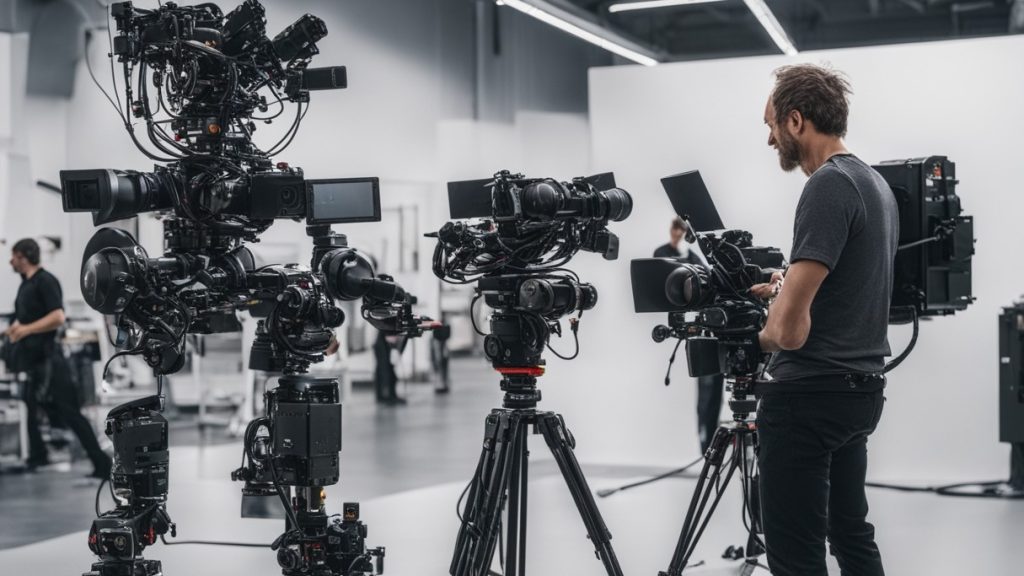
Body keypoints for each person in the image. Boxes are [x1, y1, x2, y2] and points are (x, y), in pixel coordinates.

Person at [751, 64, 896, 576]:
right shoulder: (872, 183)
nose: (769, 139)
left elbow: (789, 332)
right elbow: (847, 283)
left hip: (807, 401)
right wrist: (787, 283)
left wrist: (760, 332)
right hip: (856, 393)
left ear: (795, 121)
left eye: (770, 125)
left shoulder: (826, 187)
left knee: (796, 558)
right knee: (851, 534)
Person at [6, 238, 112, 479]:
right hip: (33, 361)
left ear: (24, 257)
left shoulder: (45, 281)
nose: (10, 261)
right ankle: (38, 456)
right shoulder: (26, 285)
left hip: (51, 359)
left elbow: (57, 317)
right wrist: (12, 329)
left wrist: (26, 329)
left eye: (13, 256)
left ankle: (102, 465)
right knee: (29, 406)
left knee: (70, 411)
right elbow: (23, 318)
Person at [654, 218, 723, 452]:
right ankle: (705, 444)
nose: (676, 233)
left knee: (711, 391)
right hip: (684, 328)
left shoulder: (694, 257)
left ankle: (709, 445)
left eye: (680, 230)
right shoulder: (661, 254)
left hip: (704, 329)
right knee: (704, 393)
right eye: (674, 229)